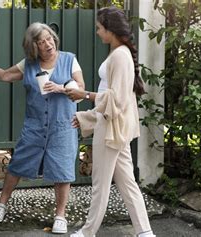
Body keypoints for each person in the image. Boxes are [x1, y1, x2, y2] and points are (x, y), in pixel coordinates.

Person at [0, 22, 85, 234]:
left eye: (49, 38)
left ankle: (60, 215)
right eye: (41, 41)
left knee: (63, 170)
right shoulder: (28, 64)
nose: (48, 44)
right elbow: (4, 76)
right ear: (33, 47)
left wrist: (61, 88)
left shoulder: (69, 59)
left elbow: (81, 89)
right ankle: (1, 205)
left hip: (62, 125)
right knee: (17, 164)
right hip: (35, 126)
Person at [66, 7, 155, 237]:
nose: (97, 32)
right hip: (112, 125)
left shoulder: (120, 56)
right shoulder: (119, 53)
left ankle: (87, 232)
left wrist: (84, 95)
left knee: (100, 184)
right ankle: (145, 232)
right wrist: (88, 117)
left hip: (111, 128)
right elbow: (112, 98)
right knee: (127, 184)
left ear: (110, 29)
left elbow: (117, 99)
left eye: (99, 28)